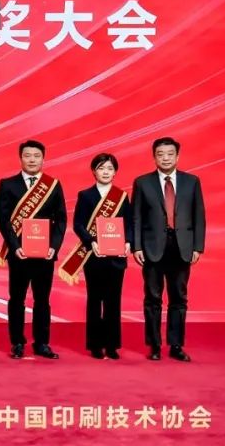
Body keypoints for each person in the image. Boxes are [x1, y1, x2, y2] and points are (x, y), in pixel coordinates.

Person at [132, 137, 205, 362]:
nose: (165, 158)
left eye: (170, 154)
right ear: (154, 157)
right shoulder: (142, 182)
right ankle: (154, 345)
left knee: (179, 298)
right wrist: (136, 246)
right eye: (160, 154)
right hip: (152, 247)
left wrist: (198, 247)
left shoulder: (191, 181)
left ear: (177, 156)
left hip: (182, 246)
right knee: (152, 298)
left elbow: (199, 216)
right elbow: (136, 217)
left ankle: (176, 345)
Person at [0, 140, 67, 360]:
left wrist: (54, 247)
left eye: (36, 156)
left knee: (42, 300)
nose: (32, 160)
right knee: (17, 299)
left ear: (43, 158)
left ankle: (42, 343)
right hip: (19, 254)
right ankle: (17, 342)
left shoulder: (53, 185)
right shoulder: (8, 184)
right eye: (27, 155)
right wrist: (14, 246)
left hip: (45, 254)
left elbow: (61, 220)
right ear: (21, 158)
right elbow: (4, 219)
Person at [70, 153, 132, 360]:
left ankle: (112, 345)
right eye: (101, 168)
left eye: (110, 168)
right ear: (94, 171)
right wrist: (91, 242)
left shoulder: (121, 197)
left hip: (116, 257)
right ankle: (95, 345)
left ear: (115, 172)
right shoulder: (85, 195)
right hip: (93, 256)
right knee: (95, 300)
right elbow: (78, 224)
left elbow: (129, 224)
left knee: (113, 301)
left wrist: (128, 242)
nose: (105, 172)